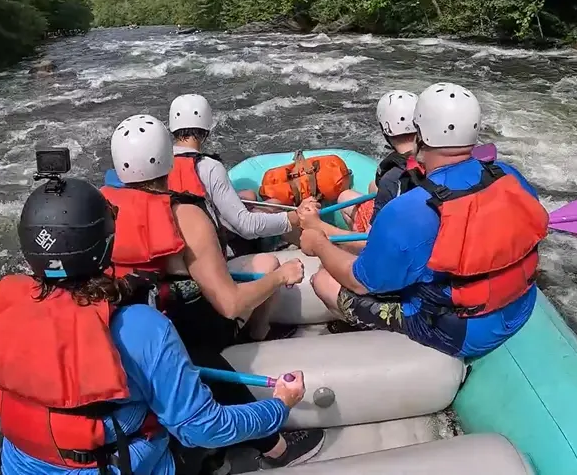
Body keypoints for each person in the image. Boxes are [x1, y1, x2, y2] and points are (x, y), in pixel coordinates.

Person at [0, 156, 310, 475]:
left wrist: (123, 287)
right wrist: (279, 406)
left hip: (22, 465)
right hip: (123, 464)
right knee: (193, 433)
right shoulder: (143, 328)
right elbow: (202, 428)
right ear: (106, 244)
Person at [102, 114, 326, 468]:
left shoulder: (100, 207)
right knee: (253, 284)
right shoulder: (186, 216)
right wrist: (280, 276)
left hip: (119, 326)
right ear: (167, 159)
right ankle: (274, 446)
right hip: (180, 333)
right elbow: (229, 303)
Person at [298, 82, 550, 359]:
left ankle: (380, 342)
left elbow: (360, 282)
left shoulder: (409, 209)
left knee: (324, 280)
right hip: (519, 306)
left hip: (457, 332)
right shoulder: (508, 175)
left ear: (420, 135)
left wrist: (320, 243)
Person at [165, 94, 309, 256]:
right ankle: (314, 248)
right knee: (271, 209)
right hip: (214, 253)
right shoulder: (209, 167)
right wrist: (293, 217)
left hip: (178, 244)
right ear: (206, 127)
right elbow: (246, 226)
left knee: (250, 196)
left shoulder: (159, 163)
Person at [336, 90, 421, 234]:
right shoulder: (433, 156)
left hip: (403, 234)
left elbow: (375, 234)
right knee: (373, 186)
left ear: (385, 129)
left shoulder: (393, 178)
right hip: (422, 217)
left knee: (345, 197)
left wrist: (322, 231)